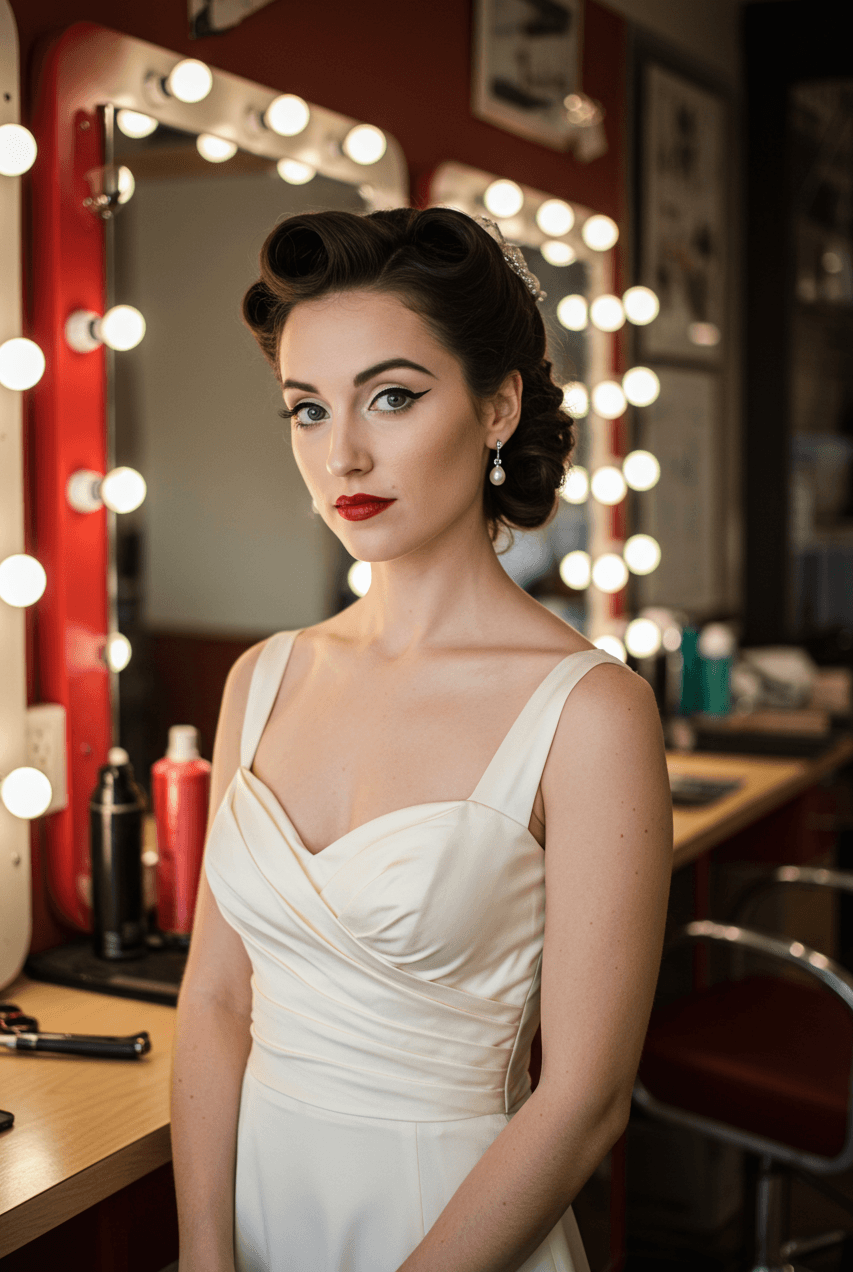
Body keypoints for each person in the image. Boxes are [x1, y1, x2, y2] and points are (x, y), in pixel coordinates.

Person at [170, 206, 673, 1272]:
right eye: (306, 409)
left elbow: (583, 1100)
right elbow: (215, 996)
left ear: (496, 407)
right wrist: (206, 1249)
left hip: (451, 1226)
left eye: (391, 396)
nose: (342, 451)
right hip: (256, 1209)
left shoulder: (588, 712)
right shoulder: (260, 678)